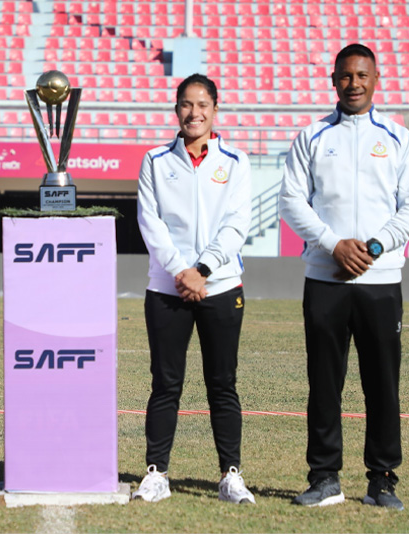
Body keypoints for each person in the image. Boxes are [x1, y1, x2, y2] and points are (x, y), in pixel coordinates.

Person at [279, 44, 409, 510]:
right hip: (326, 278)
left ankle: (382, 480)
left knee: (382, 383)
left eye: (362, 75)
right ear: (333, 80)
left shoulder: (398, 138)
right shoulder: (312, 136)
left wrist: (376, 246)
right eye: (346, 76)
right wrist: (334, 245)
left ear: (376, 79)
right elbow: (291, 201)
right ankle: (324, 477)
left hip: (380, 280)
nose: (354, 84)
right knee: (324, 383)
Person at [133, 73, 255, 504]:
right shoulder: (154, 160)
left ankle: (231, 475)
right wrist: (180, 271)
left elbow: (237, 225)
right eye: (186, 104)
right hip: (167, 289)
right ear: (176, 110)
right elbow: (150, 222)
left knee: (223, 383)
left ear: (215, 109)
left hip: (220, 286)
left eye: (202, 104)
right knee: (166, 383)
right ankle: (156, 473)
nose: (194, 112)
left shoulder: (236, 161)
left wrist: (202, 270)